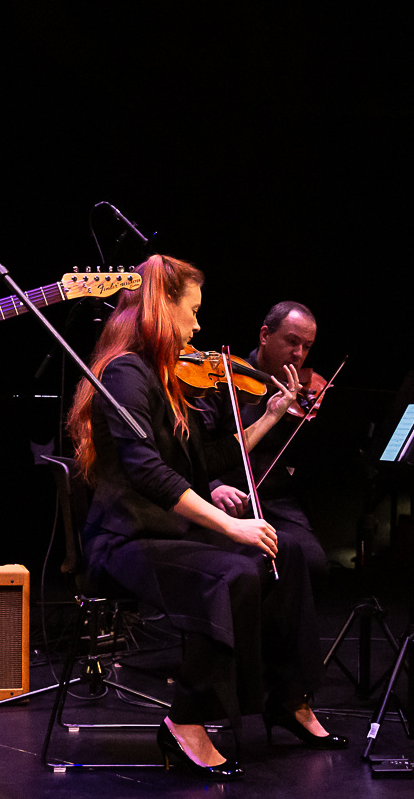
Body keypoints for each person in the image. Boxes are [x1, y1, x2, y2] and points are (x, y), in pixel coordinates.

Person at [66, 254, 346, 780]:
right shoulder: (125, 372)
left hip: (165, 534)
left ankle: (286, 697)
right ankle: (187, 720)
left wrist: (269, 416)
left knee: (277, 556)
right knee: (236, 570)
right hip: (124, 541)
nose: (197, 326)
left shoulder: (166, 376)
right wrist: (230, 526)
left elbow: (210, 461)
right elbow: (147, 470)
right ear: (158, 308)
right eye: (190, 312)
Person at [202, 301, 329, 585]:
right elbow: (194, 451)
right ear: (265, 335)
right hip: (228, 501)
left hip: (276, 501)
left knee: (314, 566)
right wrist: (213, 487)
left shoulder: (304, 394)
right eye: (291, 341)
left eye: (306, 346)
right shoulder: (223, 378)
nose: (298, 354)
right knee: (257, 568)